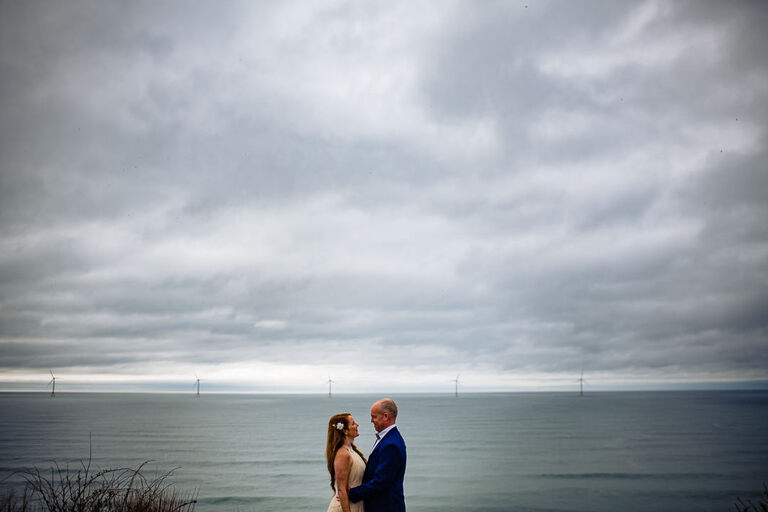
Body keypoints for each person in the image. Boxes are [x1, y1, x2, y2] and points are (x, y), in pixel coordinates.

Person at [349, 398, 407, 512]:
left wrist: (351, 493)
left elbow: (380, 482)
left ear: (386, 416)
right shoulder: (388, 438)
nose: (371, 420)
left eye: (374, 416)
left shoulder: (391, 444)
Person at [326, 413, 367, 512]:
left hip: (355, 503)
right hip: (346, 507)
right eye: (353, 424)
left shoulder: (351, 450)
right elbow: (341, 490)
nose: (357, 425)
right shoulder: (343, 454)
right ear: (345, 431)